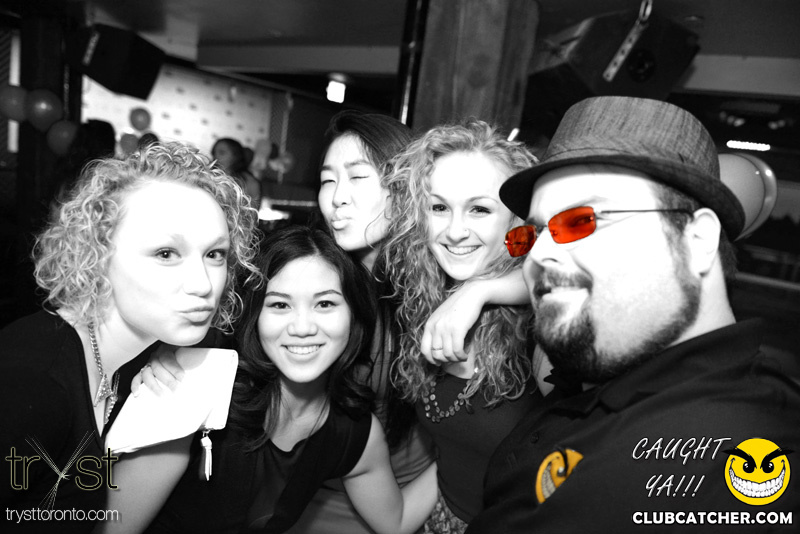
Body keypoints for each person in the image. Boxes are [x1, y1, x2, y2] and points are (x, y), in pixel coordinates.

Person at [466, 96, 800, 533]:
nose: (539, 254)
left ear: (698, 239)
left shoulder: (726, 467)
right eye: (534, 233)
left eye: (582, 219)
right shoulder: (609, 364)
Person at [0, 142, 260, 533]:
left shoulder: (137, 360)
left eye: (215, 254)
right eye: (166, 254)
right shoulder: (32, 380)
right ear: (97, 253)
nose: (203, 284)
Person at [140, 226, 437, 534]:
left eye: (325, 304)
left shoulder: (352, 432)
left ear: (354, 316)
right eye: (280, 305)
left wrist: (462, 445)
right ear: (255, 315)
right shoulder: (198, 388)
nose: (302, 327)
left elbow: (395, 522)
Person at [381, 118, 541, 533]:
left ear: (517, 222)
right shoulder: (425, 301)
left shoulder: (542, 329)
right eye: (439, 208)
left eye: (479, 209)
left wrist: (480, 290)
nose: (454, 231)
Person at [212, 137, 262, 210]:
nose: (216, 156)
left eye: (222, 153)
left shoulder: (250, 182)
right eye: (214, 153)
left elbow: (253, 212)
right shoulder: (210, 177)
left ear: (235, 156)